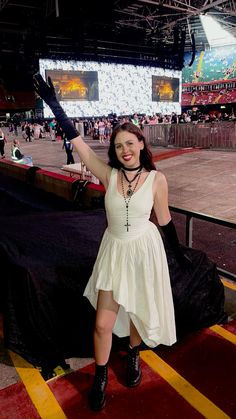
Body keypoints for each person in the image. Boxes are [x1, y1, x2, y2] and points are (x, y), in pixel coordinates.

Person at [33, 74, 192, 411]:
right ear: (114, 150)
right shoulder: (109, 175)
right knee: (103, 323)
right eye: (119, 146)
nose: (125, 150)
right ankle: (101, 375)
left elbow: (164, 221)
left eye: (130, 143)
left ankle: (133, 354)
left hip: (144, 250)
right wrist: (53, 104)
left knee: (136, 313)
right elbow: (76, 140)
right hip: (116, 250)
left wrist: (178, 254)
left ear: (141, 144)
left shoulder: (157, 179)